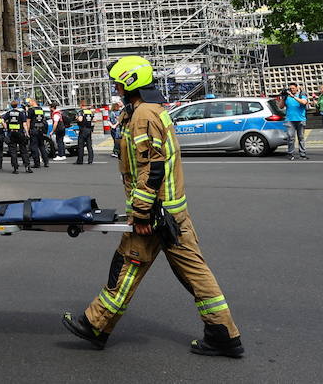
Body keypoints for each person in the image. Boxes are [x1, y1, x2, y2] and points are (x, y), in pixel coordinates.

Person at [62, 56, 244, 359]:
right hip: (172, 211)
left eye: (119, 83)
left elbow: (152, 167)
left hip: (156, 213)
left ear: (130, 83)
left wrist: (143, 213)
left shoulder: (144, 115)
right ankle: (223, 333)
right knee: (194, 271)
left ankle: (96, 324)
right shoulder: (148, 110)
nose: (116, 88)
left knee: (128, 264)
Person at [3, 101, 32, 175]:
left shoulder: (8, 113)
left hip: (11, 134)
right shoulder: (21, 113)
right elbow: (24, 124)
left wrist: (6, 127)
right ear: (17, 105)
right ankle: (27, 167)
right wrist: (27, 133)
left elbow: (2, 120)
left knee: (13, 151)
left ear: (11, 106)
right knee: (24, 150)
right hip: (20, 134)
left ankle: (15, 168)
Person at [283, 83, 309, 160]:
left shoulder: (301, 95)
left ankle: (302, 154)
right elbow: (281, 106)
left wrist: (293, 97)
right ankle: (290, 153)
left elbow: (304, 102)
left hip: (300, 119)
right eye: (290, 89)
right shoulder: (287, 97)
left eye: (293, 88)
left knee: (301, 137)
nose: (292, 90)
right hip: (289, 120)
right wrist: (282, 97)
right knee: (291, 138)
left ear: (297, 88)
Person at [27, 98, 50, 168]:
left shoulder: (31, 110)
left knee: (34, 147)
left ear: (33, 102)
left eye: (29, 102)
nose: (29, 103)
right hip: (41, 129)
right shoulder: (40, 109)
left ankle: (37, 163)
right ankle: (46, 162)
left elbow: (28, 121)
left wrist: (27, 131)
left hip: (34, 130)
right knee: (42, 146)